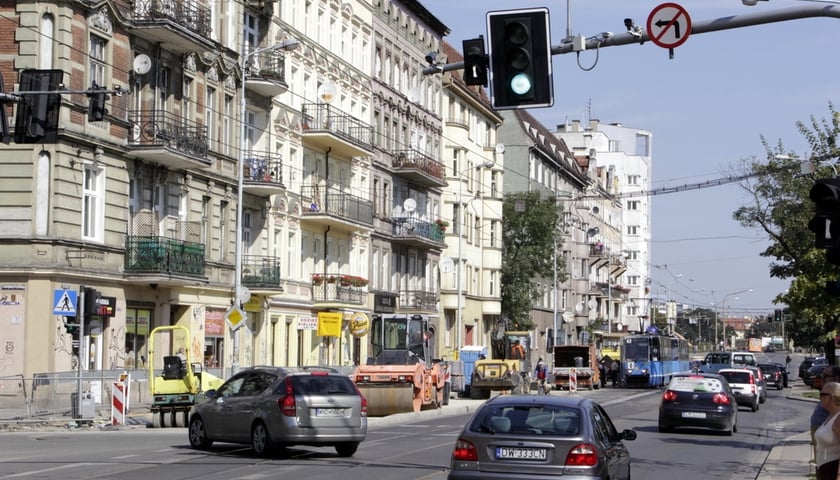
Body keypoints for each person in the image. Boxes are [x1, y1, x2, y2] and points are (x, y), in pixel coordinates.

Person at [812, 367, 840, 460]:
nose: (822, 378)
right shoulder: (827, 391)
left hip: (831, 460)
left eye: (825, 376)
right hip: (823, 450)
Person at [815, 381, 840, 480]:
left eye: (822, 394)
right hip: (823, 468)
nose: (820, 398)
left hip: (832, 469)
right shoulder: (830, 415)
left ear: (833, 397)